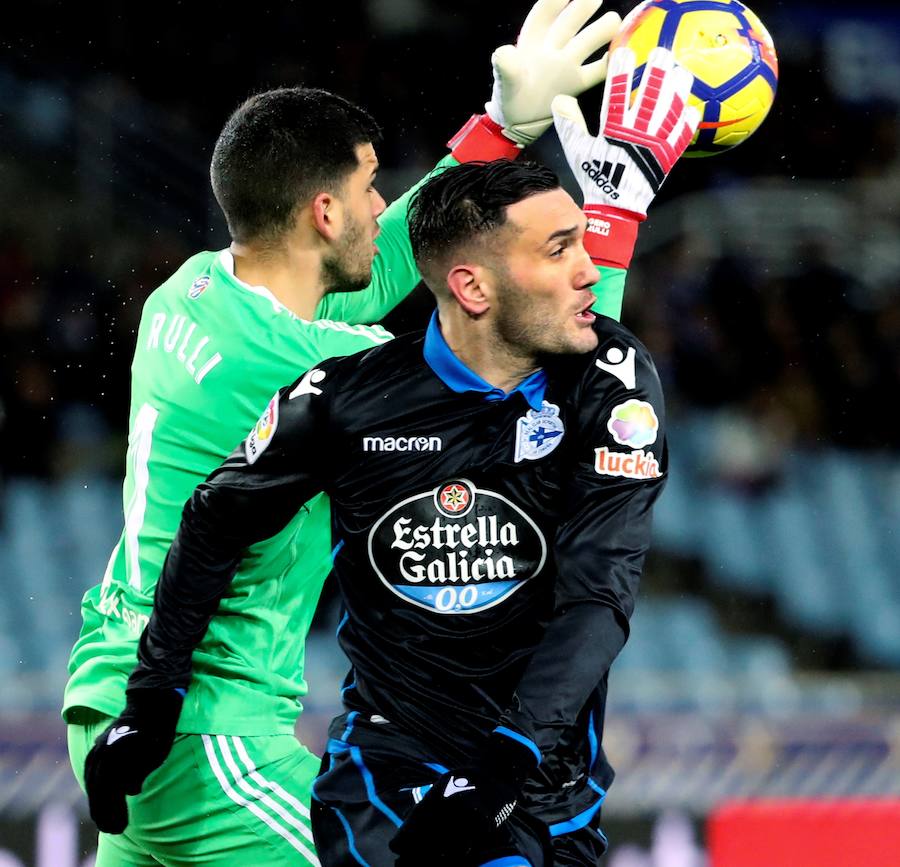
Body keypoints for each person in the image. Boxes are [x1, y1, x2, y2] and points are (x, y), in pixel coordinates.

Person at [84, 45, 699, 866]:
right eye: (374, 185)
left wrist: (500, 128)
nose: (386, 207)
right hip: (207, 718)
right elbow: (539, 361)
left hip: (119, 680)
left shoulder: (193, 289)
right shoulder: (318, 364)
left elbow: (381, 280)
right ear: (325, 212)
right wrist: (614, 214)